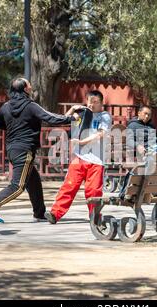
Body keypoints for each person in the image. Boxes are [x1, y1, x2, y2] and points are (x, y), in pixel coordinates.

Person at [0, 77, 80, 223]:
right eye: (29, 84)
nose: (31, 86)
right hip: (24, 150)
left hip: (12, 149)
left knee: (33, 181)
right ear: (25, 89)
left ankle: (39, 213)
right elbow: (49, 118)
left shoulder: (5, 107)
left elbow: (0, 125)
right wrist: (72, 118)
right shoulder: (30, 105)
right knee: (18, 186)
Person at [45, 90, 112, 224]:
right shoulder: (82, 113)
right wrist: (71, 110)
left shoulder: (105, 116)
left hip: (96, 160)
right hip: (78, 158)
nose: (92, 105)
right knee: (69, 187)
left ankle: (95, 217)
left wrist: (81, 142)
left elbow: (100, 134)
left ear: (101, 103)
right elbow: (64, 120)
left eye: (95, 102)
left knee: (93, 191)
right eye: (89, 102)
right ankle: (55, 214)